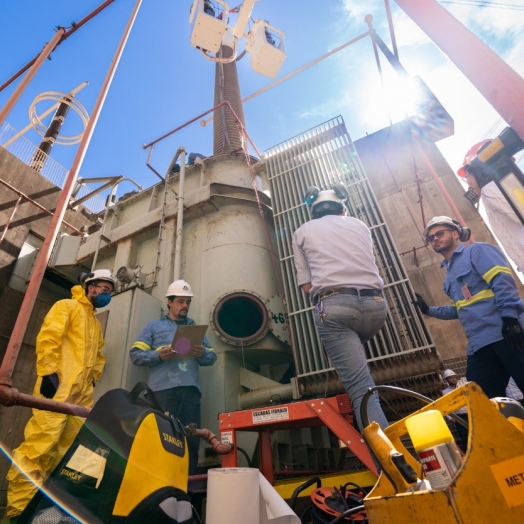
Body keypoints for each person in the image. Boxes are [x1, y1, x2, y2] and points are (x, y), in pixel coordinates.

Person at [6, 269, 116, 520]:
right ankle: (19, 512)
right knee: (39, 448)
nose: (107, 295)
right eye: (105, 289)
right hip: (57, 391)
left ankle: (47, 511)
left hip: (79, 399)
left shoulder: (95, 324)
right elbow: (49, 337)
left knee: (70, 455)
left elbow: (98, 357)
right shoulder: (66, 306)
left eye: (110, 291)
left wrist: (93, 381)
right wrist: (48, 373)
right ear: (91, 287)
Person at [292, 185, 389, 432]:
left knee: (361, 389)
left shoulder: (302, 231)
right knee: (360, 373)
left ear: (313, 212)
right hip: (376, 306)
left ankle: (388, 464)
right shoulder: (360, 226)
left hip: (335, 307)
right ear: (342, 208)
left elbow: (306, 286)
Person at [413, 216, 524, 400]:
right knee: (480, 401)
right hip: (479, 347)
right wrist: (428, 310)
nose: (435, 239)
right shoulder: (448, 277)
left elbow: (502, 280)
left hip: (506, 335)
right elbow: (460, 310)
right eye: (431, 238)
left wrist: (510, 318)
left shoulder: (477, 251)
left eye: (439, 233)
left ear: (455, 233)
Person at [129, 279, 216, 475]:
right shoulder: (153, 327)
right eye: (180, 301)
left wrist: (202, 352)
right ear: (169, 302)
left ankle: (187, 487)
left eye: (187, 302)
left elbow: (212, 357)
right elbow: (135, 355)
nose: (185, 306)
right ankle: (160, 484)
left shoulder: (195, 330)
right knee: (162, 438)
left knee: (191, 440)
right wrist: (157, 355)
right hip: (162, 393)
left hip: (190, 392)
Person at [457, 140, 524, 273]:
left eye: (467, 175)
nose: (468, 184)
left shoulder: (490, 190)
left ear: (477, 170)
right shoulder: (502, 185)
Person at [441, 369, 468, 452]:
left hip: (469, 414)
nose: (453, 379)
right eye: (450, 378)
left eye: (454, 377)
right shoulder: (445, 392)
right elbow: (445, 407)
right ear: (447, 380)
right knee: (464, 437)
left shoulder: (462, 387)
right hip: (458, 418)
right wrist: (450, 418)